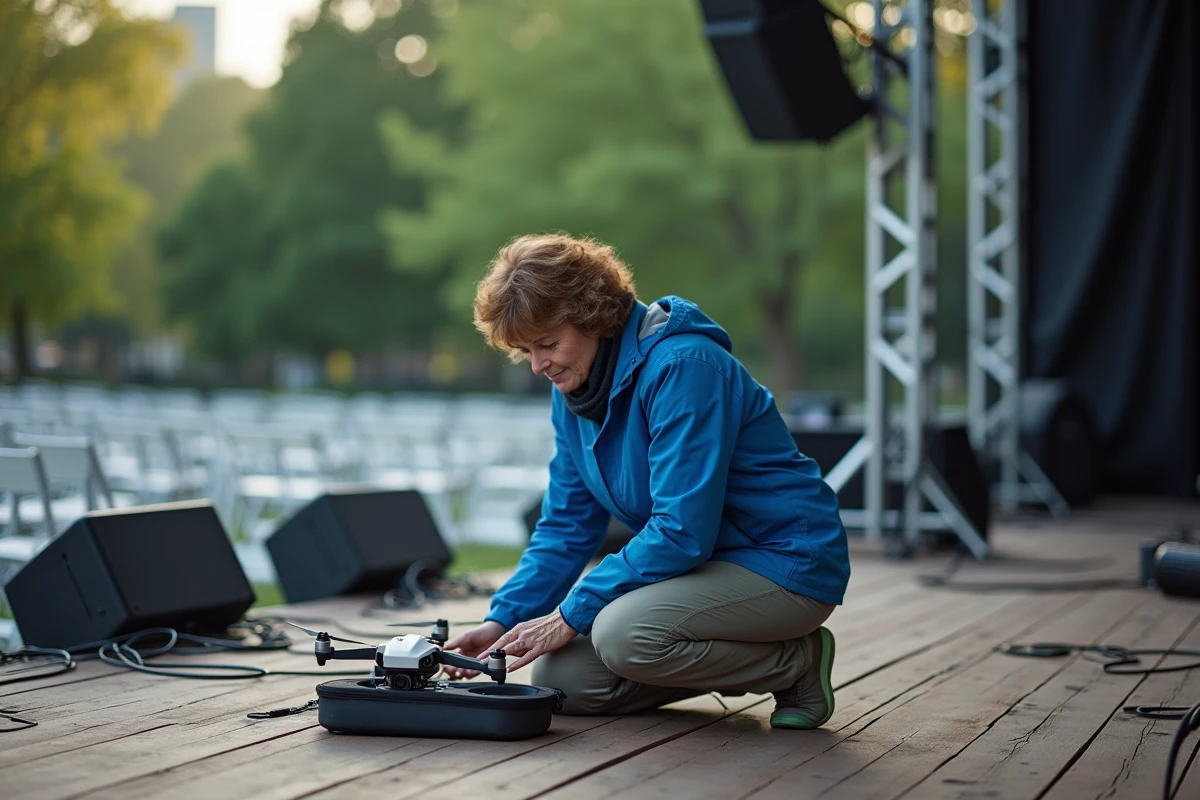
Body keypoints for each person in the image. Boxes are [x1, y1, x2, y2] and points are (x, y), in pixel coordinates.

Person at [443, 233, 851, 729]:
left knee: (623, 634)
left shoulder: (684, 367)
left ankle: (795, 664)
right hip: (698, 569)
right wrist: (502, 620)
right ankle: (742, 657)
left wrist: (572, 612)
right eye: (526, 350)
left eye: (548, 344)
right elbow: (567, 526)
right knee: (563, 683)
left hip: (784, 561)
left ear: (592, 317)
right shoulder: (572, 390)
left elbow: (682, 530)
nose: (538, 365)